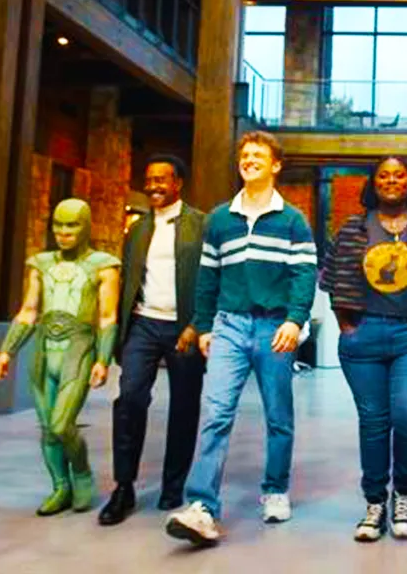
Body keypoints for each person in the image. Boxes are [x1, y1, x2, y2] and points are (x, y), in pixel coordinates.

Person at [164, 131, 317, 547]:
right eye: (244, 155)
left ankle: (276, 489)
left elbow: (304, 274)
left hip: (274, 328)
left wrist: (295, 320)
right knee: (215, 413)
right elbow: (207, 277)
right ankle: (202, 506)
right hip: (229, 326)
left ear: (275, 165)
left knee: (278, 415)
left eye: (258, 155)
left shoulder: (293, 220)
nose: (249, 160)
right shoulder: (220, 219)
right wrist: (204, 326)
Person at [320, 156, 407, 541]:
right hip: (365, 336)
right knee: (373, 422)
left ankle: (402, 492)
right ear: (373, 183)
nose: (392, 181)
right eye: (384, 175)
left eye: (399, 175)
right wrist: (346, 326)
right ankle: (375, 502)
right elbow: (333, 275)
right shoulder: (353, 228)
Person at [0, 199, 120, 515]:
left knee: (62, 425)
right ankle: (60, 487)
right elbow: (28, 311)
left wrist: (103, 359)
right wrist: (6, 351)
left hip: (78, 350)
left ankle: (82, 472)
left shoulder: (103, 265)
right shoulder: (41, 263)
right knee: (49, 427)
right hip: (44, 351)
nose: (63, 232)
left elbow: (107, 316)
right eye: (58, 225)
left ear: (86, 226)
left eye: (71, 224)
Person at [98, 155, 206, 526]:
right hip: (143, 324)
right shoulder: (138, 229)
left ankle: (173, 485)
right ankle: (123, 487)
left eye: (161, 179)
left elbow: (212, 277)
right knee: (129, 398)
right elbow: (129, 279)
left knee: (184, 406)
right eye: (149, 179)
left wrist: (198, 324)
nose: (153, 186)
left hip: (184, 327)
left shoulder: (200, 224)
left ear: (178, 183)